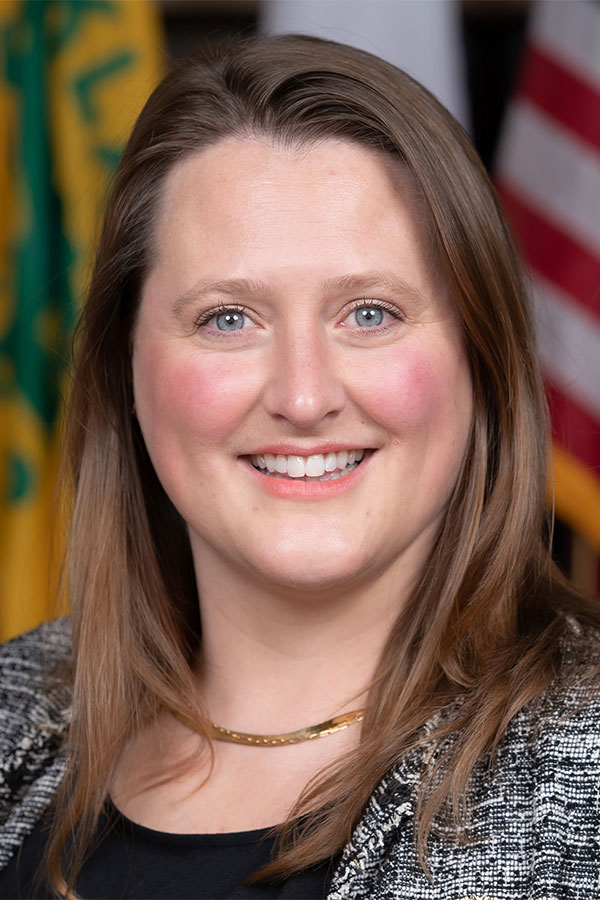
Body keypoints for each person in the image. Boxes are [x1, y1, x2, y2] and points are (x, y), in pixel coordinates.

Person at [1, 33, 599, 900]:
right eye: (228, 319)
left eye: (370, 312)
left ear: (482, 359)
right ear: (123, 366)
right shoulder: (13, 705)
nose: (304, 395)